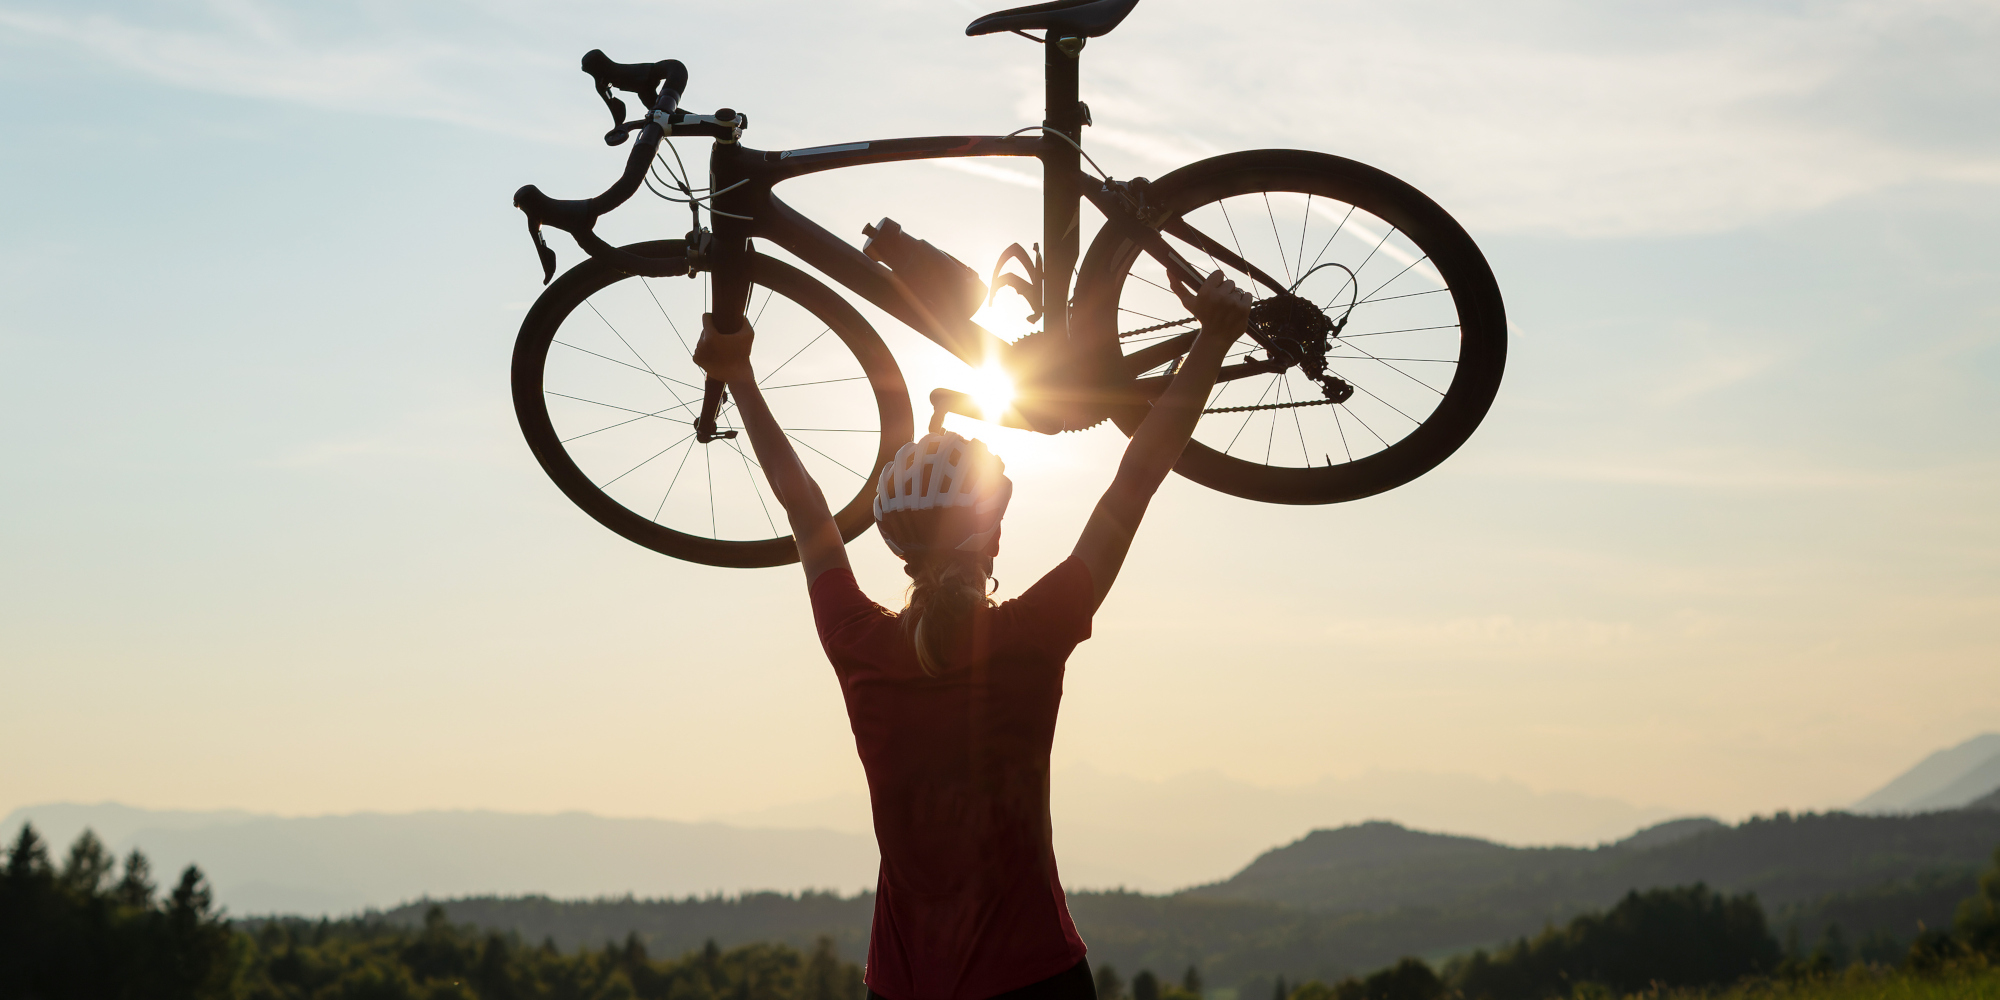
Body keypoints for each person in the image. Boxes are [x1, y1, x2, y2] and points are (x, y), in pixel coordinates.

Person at [692, 272, 1253, 1000]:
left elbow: (806, 510)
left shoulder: (860, 642)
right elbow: (1135, 479)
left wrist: (736, 378)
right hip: (1035, 975)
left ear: (899, 547)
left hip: (905, 984)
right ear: (991, 532)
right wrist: (1213, 338)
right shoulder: (1031, 632)